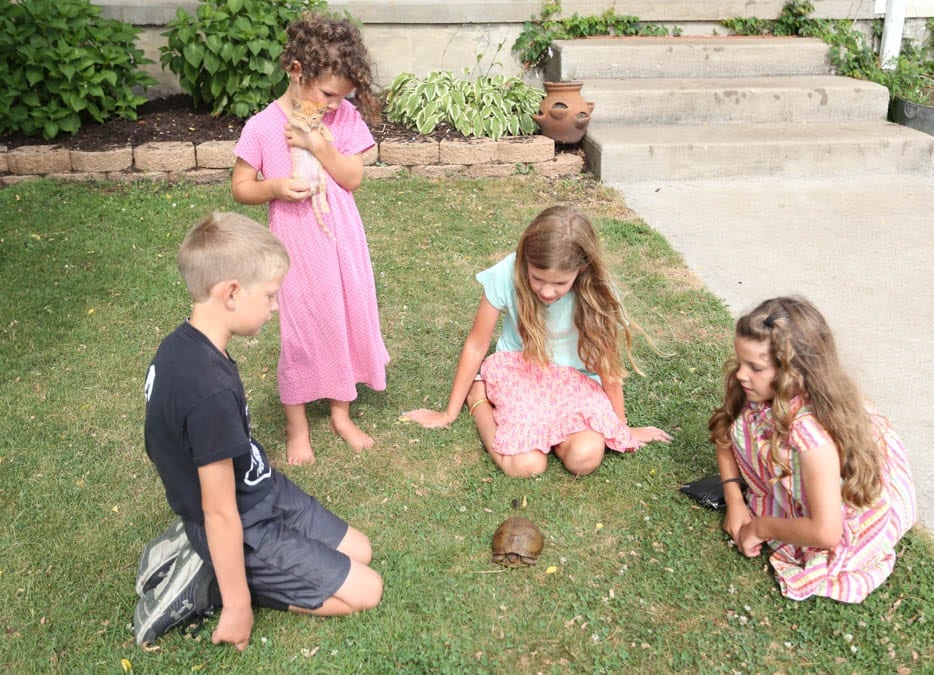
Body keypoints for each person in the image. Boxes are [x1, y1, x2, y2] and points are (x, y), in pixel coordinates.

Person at [135, 212, 382, 649]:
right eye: (269, 295)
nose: (275, 306)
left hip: (261, 486)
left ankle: (205, 551)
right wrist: (238, 606)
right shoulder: (204, 391)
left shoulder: (185, 342)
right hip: (243, 522)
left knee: (360, 550)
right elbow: (220, 511)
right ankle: (210, 579)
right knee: (367, 592)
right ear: (231, 292)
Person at [404, 205, 672, 478]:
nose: (546, 291)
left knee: (585, 458)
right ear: (525, 261)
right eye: (537, 278)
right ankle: (479, 398)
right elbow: (476, 343)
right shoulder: (507, 272)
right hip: (520, 372)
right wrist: (449, 413)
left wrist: (621, 427)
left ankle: (554, 430)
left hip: (575, 382)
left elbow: (608, 366)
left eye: (559, 283)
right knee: (526, 466)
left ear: (581, 269)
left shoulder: (599, 291)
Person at [231, 13, 388, 464]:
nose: (333, 105)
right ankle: (297, 426)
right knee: (300, 329)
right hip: (295, 245)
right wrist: (274, 187)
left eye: (341, 97)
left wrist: (322, 145)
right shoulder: (262, 126)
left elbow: (352, 177)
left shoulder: (341, 118)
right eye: (326, 94)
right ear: (296, 71)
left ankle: (341, 412)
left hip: (342, 242)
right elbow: (241, 187)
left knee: (344, 317)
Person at [708, 296, 916, 603]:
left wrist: (761, 526)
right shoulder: (754, 387)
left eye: (755, 367)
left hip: (834, 517)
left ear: (795, 371)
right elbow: (725, 434)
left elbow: (826, 533)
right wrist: (734, 498)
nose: (741, 374)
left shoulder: (810, 433)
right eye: (740, 362)